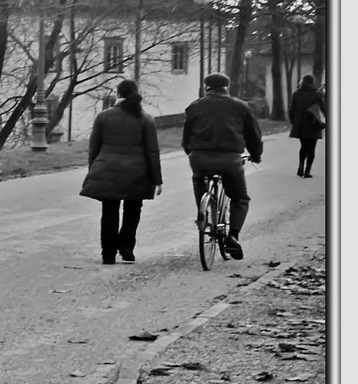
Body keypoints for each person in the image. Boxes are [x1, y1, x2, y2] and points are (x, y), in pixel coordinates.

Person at [182, 73, 265, 259]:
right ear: (227, 87)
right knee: (240, 198)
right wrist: (256, 155)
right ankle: (233, 237)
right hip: (230, 159)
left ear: (207, 87)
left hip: (200, 157)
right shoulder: (240, 107)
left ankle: (203, 214)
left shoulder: (194, 107)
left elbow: (186, 138)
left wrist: (192, 153)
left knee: (198, 178)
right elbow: (253, 136)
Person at [80, 79, 163, 264]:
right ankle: (126, 247)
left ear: (118, 94)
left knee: (109, 210)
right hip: (137, 172)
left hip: (107, 170)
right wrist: (157, 180)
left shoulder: (103, 117)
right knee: (133, 209)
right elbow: (152, 152)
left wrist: (94, 170)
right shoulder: (146, 119)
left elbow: (94, 148)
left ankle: (108, 253)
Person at [287, 74, 327, 179]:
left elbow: (291, 109)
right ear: (312, 82)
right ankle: (307, 171)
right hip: (314, 123)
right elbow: (323, 109)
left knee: (303, 146)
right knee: (311, 148)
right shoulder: (317, 94)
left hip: (301, 123)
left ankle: (300, 165)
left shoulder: (296, 94)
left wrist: (292, 120)